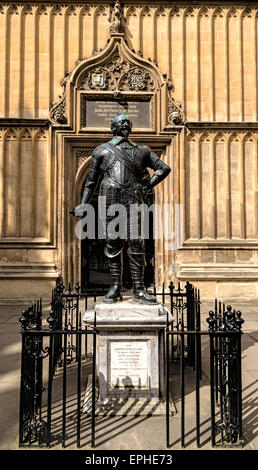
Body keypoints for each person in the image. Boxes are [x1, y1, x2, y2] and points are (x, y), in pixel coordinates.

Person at [72, 114, 171, 304]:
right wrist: (84, 203)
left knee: (136, 242)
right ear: (113, 127)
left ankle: (139, 289)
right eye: (120, 123)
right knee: (113, 243)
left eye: (127, 123)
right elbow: (91, 181)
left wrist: (148, 185)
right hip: (110, 198)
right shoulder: (101, 151)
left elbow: (163, 168)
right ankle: (116, 286)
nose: (125, 125)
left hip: (134, 198)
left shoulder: (142, 150)